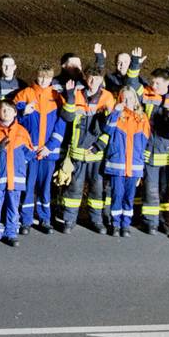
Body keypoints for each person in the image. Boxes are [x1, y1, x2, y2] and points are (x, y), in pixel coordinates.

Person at [127, 52, 169, 236]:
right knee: (150, 189)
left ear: (167, 83)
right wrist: (135, 63)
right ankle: (151, 222)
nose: (153, 85)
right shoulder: (146, 94)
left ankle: (167, 221)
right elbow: (132, 85)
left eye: (158, 83)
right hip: (150, 153)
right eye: (152, 82)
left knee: (166, 191)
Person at [56, 66, 116, 233]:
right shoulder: (75, 94)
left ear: (101, 80)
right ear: (85, 77)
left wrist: (99, 145)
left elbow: (111, 128)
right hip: (77, 152)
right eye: (90, 78)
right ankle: (69, 220)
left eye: (96, 79)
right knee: (73, 189)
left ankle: (96, 221)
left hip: (96, 154)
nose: (92, 82)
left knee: (97, 190)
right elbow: (67, 117)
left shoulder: (107, 97)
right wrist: (68, 97)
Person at [13, 64, 66, 234]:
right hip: (30, 153)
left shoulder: (57, 97)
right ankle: (26, 220)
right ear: (36, 75)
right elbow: (13, 120)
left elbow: (61, 125)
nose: (44, 80)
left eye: (47, 78)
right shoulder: (25, 94)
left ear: (51, 78)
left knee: (45, 188)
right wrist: (22, 113)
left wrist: (50, 147)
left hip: (47, 154)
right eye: (41, 77)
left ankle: (45, 219)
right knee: (28, 187)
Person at [98, 86, 150, 237]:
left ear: (135, 99)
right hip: (117, 164)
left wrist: (139, 158)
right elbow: (107, 130)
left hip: (134, 165)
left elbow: (145, 139)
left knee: (129, 196)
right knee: (117, 195)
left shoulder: (142, 117)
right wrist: (115, 112)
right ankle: (115, 225)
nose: (127, 101)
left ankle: (125, 225)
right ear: (120, 100)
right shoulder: (116, 115)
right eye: (124, 98)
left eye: (130, 98)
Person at [0, 100, 35, 247]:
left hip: (16, 178)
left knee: (13, 206)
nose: (5, 112)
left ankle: (11, 233)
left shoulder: (22, 131)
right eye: (3, 110)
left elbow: (29, 153)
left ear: (15, 113)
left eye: (8, 109)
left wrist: (19, 165)